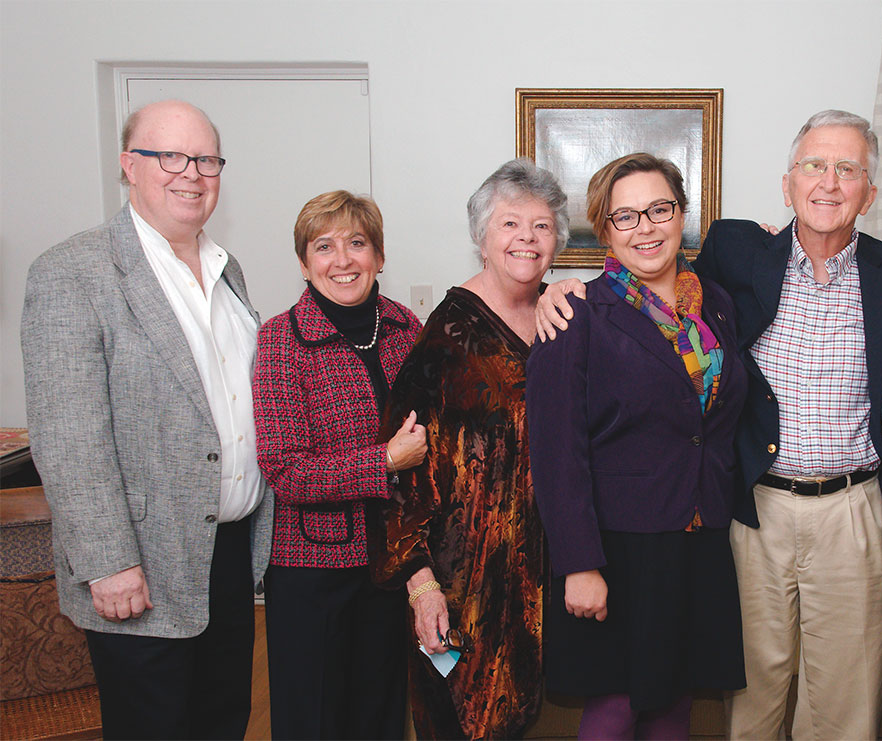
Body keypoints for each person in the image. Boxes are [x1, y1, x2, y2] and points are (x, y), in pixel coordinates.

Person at [537, 110, 882, 739]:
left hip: (840, 509)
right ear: (788, 185)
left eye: (847, 169)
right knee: (745, 696)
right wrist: (552, 287)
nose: (829, 183)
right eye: (814, 165)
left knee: (839, 702)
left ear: (871, 191)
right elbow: (560, 444)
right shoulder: (733, 255)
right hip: (748, 511)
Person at [20, 100, 271, 739]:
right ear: (130, 167)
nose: (192, 173)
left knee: (222, 722)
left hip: (229, 552)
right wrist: (107, 561)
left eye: (207, 159)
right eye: (172, 157)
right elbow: (70, 437)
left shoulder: (226, 269)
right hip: (141, 566)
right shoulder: (73, 271)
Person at [527, 152, 748, 740]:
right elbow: (555, 453)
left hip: (698, 535)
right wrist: (578, 563)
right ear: (604, 229)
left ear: (682, 215)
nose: (645, 227)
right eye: (625, 216)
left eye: (658, 209)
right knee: (616, 706)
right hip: (618, 547)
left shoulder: (717, 306)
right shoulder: (575, 315)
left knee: (674, 700)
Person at [370, 158, 568, 739]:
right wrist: (421, 584)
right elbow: (399, 469)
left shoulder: (561, 316)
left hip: (534, 573)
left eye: (541, 226)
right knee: (455, 714)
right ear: (481, 238)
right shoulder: (446, 337)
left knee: (520, 718)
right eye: (510, 224)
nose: (526, 239)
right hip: (458, 581)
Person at [252, 190, 424, 739]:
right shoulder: (280, 340)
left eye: (357, 243)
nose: (343, 260)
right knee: (317, 719)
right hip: (313, 570)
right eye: (324, 246)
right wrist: (385, 462)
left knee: (380, 713)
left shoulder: (406, 329)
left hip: (391, 561)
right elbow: (286, 470)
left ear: (378, 255)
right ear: (304, 263)